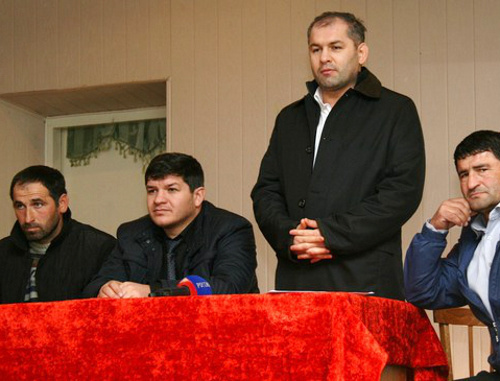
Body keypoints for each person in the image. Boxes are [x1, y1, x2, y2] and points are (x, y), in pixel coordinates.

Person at [251, 11, 425, 299]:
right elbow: (266, 191)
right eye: (316, 49)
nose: (324, 58)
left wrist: (328, 235)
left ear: (361, 53)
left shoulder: (395, 110)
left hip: (366, 280)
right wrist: (294, 238)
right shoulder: (289, 118)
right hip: (298, 278)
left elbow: (401, 193)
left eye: (336, 47)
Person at [84, 152, 258, 298]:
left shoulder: (231, 229)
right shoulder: (131, 234)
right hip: (148, 333)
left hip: (220, 332)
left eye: (171, 190)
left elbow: (229, 288)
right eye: (152, 191)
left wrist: (153, 292)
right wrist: (104, 289)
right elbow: (93, 287)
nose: (159, 200)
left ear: (197, 196)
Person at [405, 130, 500, 380]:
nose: (471, 183)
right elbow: (424, 291)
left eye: (483, 170)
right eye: (464, 174)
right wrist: (435, 229)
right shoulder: (475, 237)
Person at [0, 165, 116, 303]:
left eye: (37, 204)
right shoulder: (3, 252)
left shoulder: (99, 248)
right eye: (20, 206)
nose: (28, 218)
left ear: (62, 203)